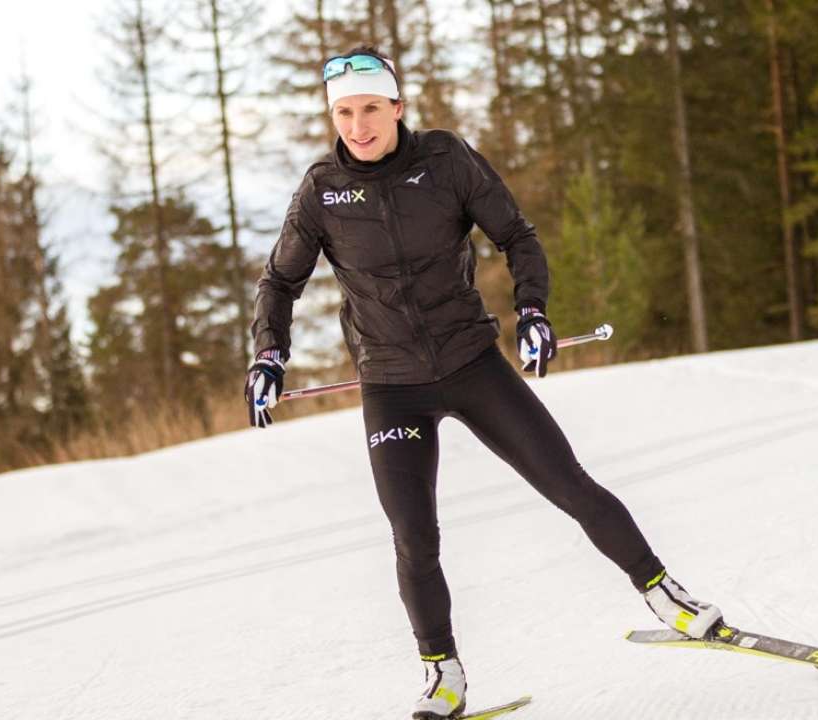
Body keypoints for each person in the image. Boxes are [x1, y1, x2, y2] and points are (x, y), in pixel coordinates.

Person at [243, 46, 723, 720]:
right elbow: (280, 282)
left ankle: (665, 595)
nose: (358, 125)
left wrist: (533, 311)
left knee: (568, 483)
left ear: (397, 107)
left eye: (371, 109)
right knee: (413, 535)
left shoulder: (444, 160)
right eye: (345, 113)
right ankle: (443, 675)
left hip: (471, 363)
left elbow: (516, 235)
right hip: (391, 383)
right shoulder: (322, 189)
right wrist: (268, 355)